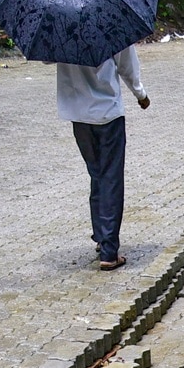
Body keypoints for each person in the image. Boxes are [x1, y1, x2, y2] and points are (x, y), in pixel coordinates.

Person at [58, 45, 149, 271]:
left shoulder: (61, 30)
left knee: (96, 173)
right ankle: (109, 250)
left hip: (78, 114)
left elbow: (48, 60)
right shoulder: (110, 25)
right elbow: (127, 65)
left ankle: (101, 235)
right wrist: (141, 94)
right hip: (107, 112)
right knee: (111, 178)